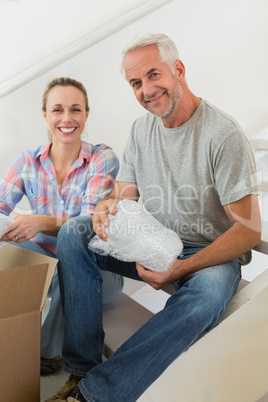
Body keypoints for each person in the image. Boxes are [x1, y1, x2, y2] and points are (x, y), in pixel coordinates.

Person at [48, 34, 261, 402]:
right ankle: (81, 366)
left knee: (206, 296)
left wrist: (180, 269)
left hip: (209, 256)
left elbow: (249, 231)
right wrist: (105, 208)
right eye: (136, 83)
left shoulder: (222, 135)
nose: (146, 90)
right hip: (158, 243)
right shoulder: (141, 129)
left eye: (153, 75)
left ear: (178, 69)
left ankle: (94, 394)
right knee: (74, 232)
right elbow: (124, 194)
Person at [0, 77, 123, 375]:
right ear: (45, 115)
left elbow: (85, 227)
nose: (67, 118)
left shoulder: (101, 158)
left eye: (75, 110)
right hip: (46, 260)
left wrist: (40, 222)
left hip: (97, 267)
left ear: (86, 115)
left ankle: (47, 352)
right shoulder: (27, 162)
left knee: (66, 263)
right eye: (57, 110)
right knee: (11, 253)